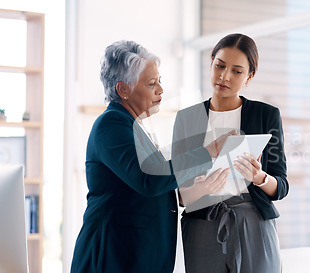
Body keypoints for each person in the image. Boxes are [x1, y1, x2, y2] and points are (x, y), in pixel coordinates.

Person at [70, 40, 231, 273]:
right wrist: (209, 151)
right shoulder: (111, 125)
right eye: (151, 83)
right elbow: (149, 179)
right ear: (123, 89)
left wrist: (194, 190)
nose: (161, 90)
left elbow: (148, 190)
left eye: (160, 82)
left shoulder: (134, 126)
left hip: (134, 257)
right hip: (111, 257)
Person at [172, 33, 289, 273]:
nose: (224, 76)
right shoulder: (187, 119)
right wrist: (202, 188)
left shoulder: (266, 115)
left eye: (237, 71)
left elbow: (281, 186)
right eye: (220, 65)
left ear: (249, 76)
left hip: (253, 221)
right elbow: (178, 194)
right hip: (203, 224)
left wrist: (260, 178)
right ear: (211, 62)